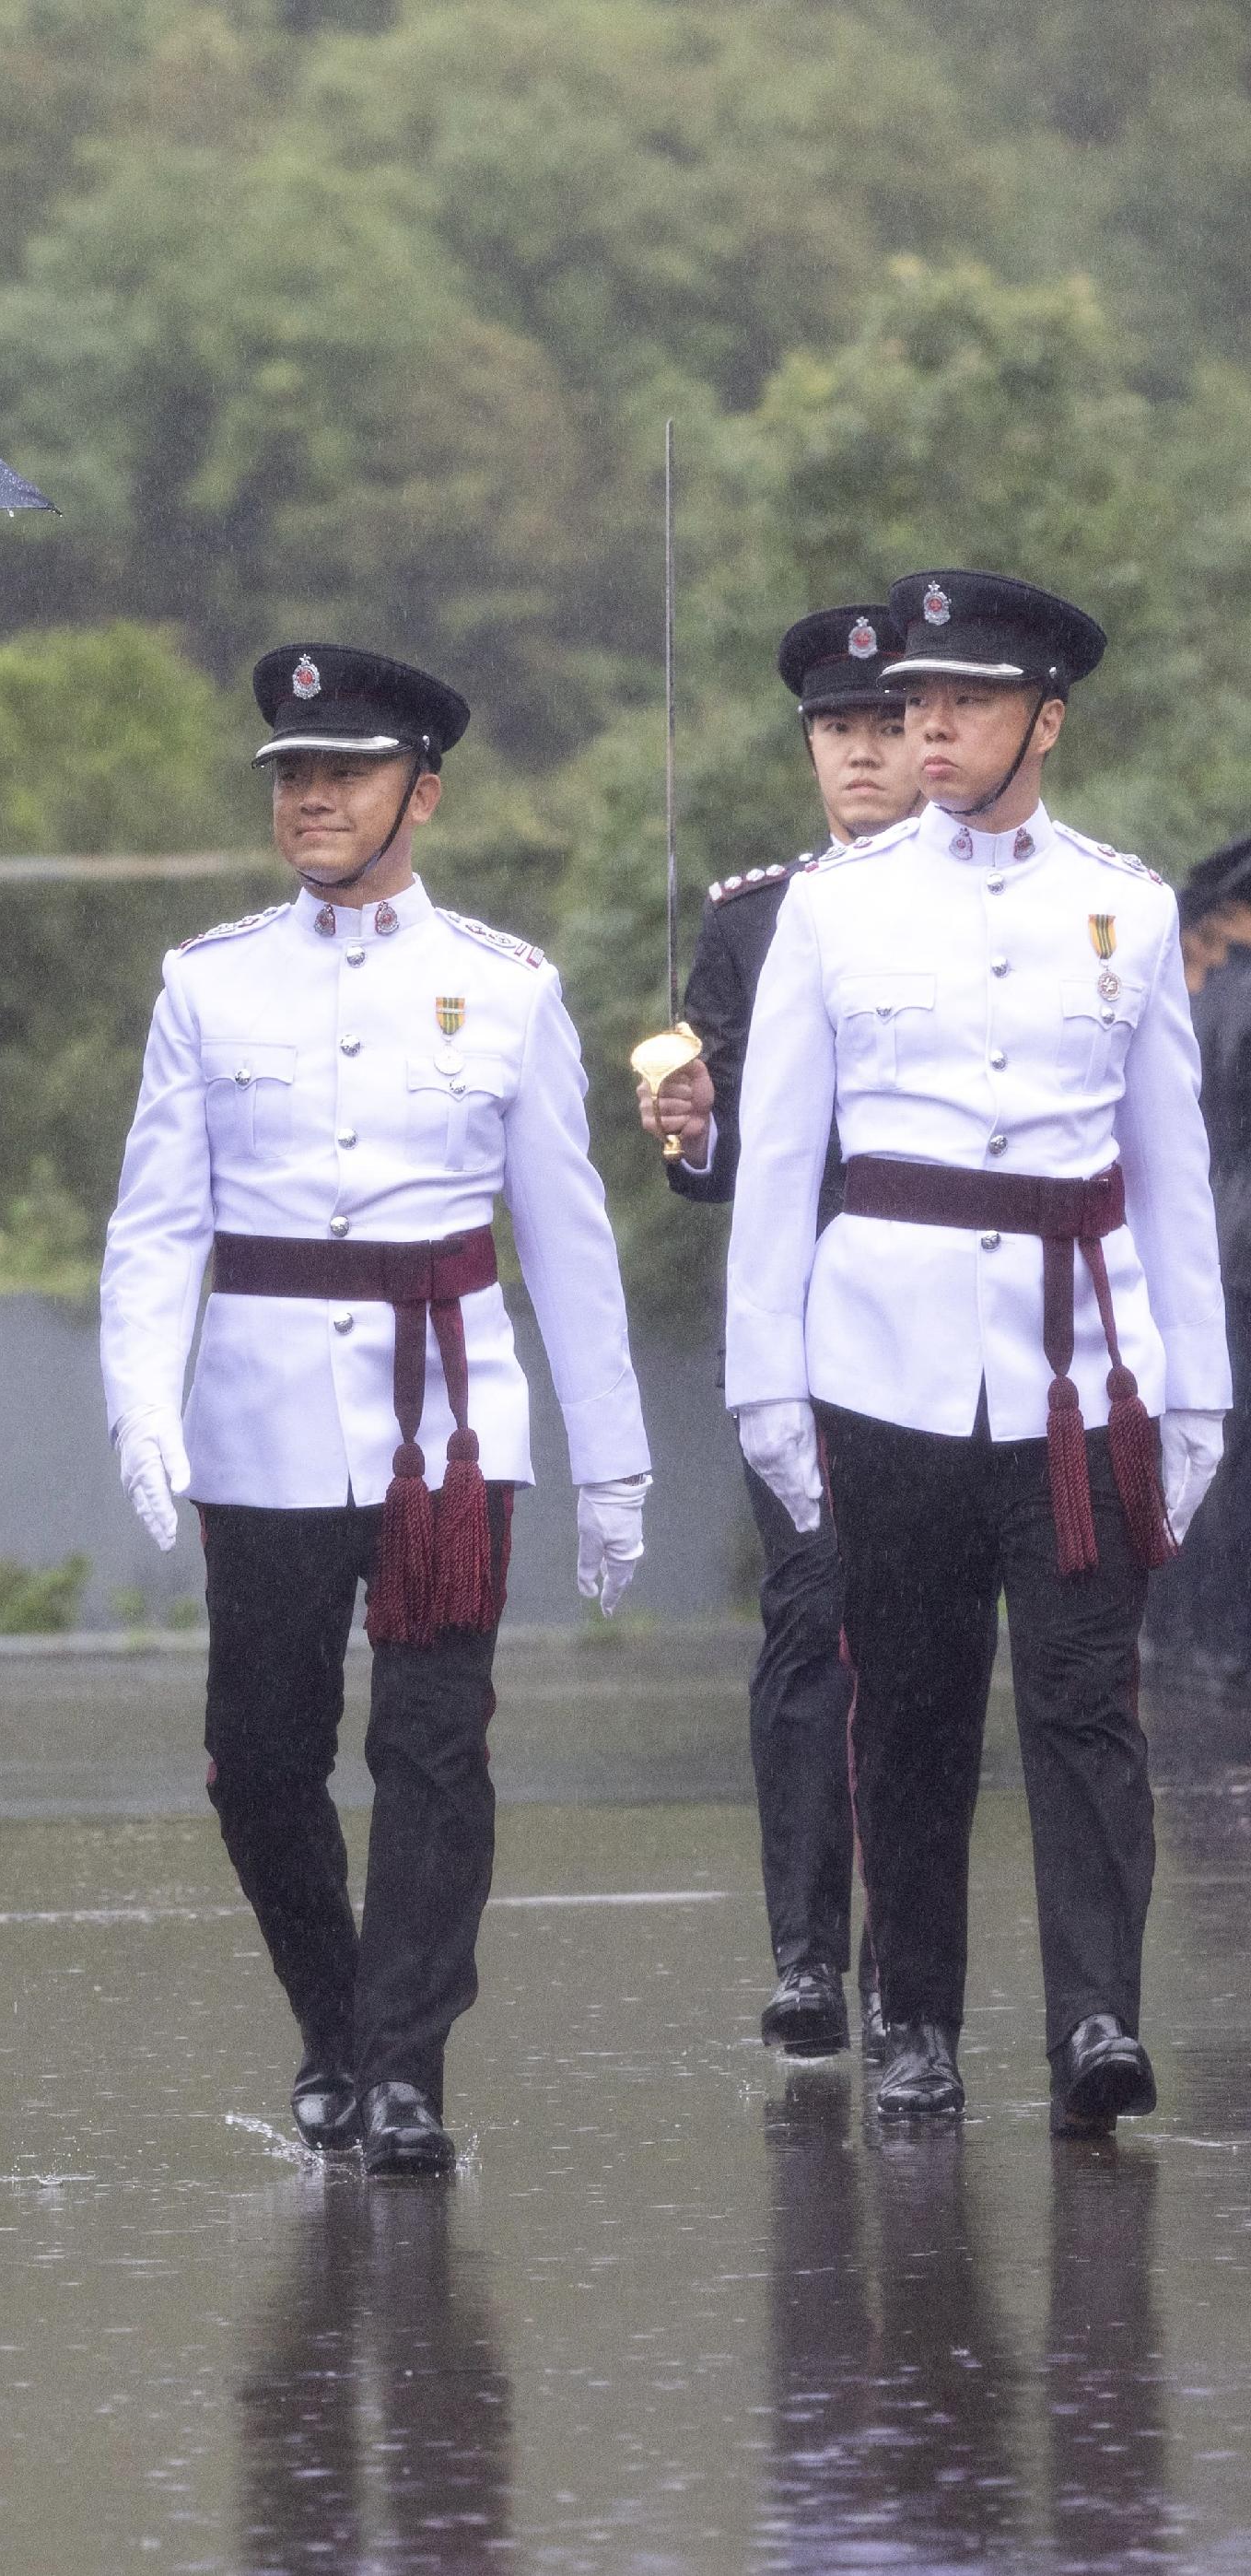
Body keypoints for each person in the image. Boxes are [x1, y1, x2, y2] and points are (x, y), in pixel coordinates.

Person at [101, 645, 650, 2179]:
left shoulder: (510, 984)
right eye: (291, 773)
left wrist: (615, 1465)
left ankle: (404, 2067)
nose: (312, 798)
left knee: (433, 1750)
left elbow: (569, 1236)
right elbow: (157, 1224)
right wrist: (142, 1402)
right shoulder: (206, 983)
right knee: (262, 1757)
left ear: (424, 791)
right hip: (264, 1415)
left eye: (341, 772)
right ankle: (335, 2021)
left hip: (447, 1422)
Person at [727, 570, 1226, 2137]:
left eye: (968, 699)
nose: (928, 723)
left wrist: (1195, 1389)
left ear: (1047, 718)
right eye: (916, 700)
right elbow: (777, 1160)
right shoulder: (832, 905)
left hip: (1081, 1363)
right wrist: (766, 1387)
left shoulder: (1130, 908)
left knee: (1085, 1705)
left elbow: (1170, 1174)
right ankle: (916, 2020)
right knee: (920, 1706)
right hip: (889, 1365)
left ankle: (1096, 2018)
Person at [633, 605, 917, 2058]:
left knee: (929, 1651)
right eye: (835, 731)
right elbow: (724, 1150)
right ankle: (809, 1953)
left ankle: (913, 1968)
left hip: (953, 1326)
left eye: (884, 726)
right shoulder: (755, 917)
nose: (861, 755)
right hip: (809, 1334)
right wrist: (691, 1130)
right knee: (811, 1624)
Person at [1143, 836, 1251, 1693]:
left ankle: (1190, 1629)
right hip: (1237, 1237)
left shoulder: (1201, 999)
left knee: (1204, 1444)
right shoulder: (1235, 998)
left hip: (1206, 1237)